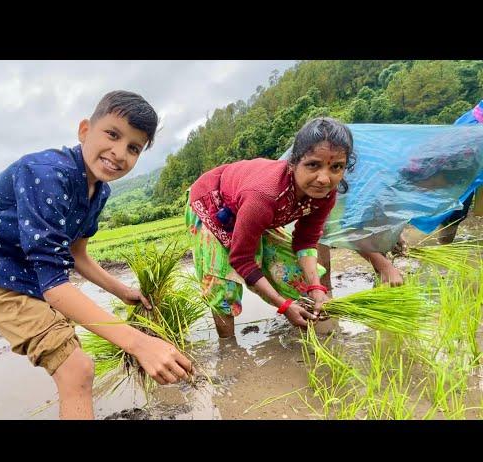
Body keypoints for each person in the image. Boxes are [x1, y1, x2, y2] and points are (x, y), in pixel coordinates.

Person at [0, 91, 192, 419]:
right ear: (85, 130)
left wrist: (122, 291)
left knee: (72, 363)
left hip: (33, 268)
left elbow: (76, 253)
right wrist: (139, 343)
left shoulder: (99, 190)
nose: (118, 152)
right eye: (112, 134)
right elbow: (55, 284)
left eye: (133, 147)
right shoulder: (47, 174)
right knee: (76, 369)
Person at [186, 117, 355, 338]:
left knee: (300, 278)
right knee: (223, 284)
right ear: (293, 163)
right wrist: (283, 306)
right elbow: (242, 259)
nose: (324, 178)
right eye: (313, 164)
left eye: (336, 167)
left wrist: (315, 287)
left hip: (251, 210)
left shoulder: (325, 195)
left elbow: (306, 241)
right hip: (213, 204)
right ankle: (229, 348)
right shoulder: (264, 196)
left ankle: (315, 328)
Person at [319, 100, 483, 290]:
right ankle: (323, 292)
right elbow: (347, 228)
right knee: (321, 231)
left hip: (353, 185)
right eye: (440, 187)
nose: (436, 193)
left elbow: (381, 218)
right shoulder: (383, 179)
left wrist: (393, 235)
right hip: (315, 194)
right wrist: (383, 264)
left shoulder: (413, 176)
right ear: (434, 172)